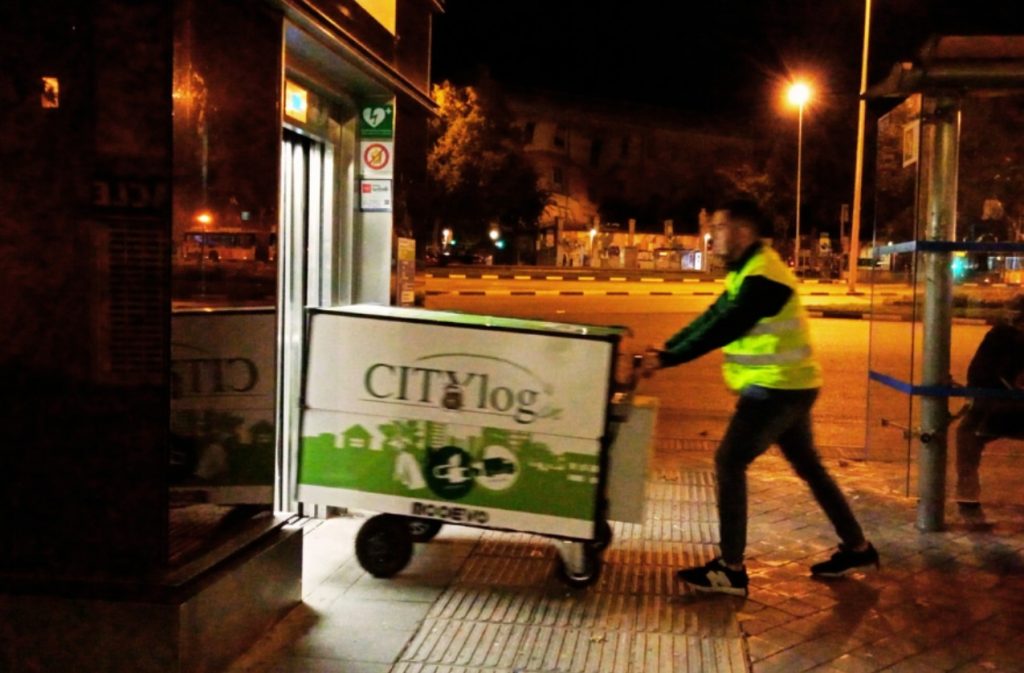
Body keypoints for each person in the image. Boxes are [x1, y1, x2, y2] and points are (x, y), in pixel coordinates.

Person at [641, 198, 877, 596]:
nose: (710, 235)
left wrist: (666, 359)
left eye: (718, 226)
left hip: (777, 390)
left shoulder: (763, 277)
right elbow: (712, 316)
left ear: (743, 231)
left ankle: (731, 569)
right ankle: (858, 547)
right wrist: (665, 348)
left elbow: (725, 328)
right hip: (787, 385)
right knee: (810, 468)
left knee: (729, 461)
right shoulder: (746, 271)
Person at [955, 296, 1024, 508]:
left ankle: (967, 491)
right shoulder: (1003, 337)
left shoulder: (1001, 336)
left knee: (967, 433)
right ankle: (967, 491)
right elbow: (982, 374)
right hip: (1002, 405)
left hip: (997, 406)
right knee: (967, 432)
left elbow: (980, 374)